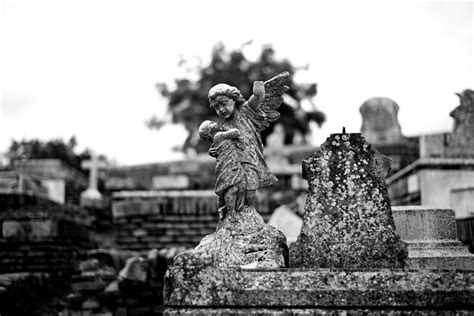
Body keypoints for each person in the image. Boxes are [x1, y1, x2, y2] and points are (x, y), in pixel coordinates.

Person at [207, 80, 278, 208]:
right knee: (234, 190)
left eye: (223, 103)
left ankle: (248, 214)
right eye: (217, 107)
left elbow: (257, 99)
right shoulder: (223, 127)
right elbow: (219, 144)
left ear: (234, 99)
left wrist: (259, 91)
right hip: (234, 164)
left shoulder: (245, 113)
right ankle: (233, 214)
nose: (221, 110)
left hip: (250, 160)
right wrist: (213, 151)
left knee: (251, 188)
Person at [198, 120, 245, 221]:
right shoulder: (219, 136)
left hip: (229, 165)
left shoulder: (218, 138)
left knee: (230, 188)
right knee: (232, 188)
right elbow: (236, 132)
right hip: (228, 166)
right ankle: (231, 212)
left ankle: (223, 209)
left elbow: (213, 150)